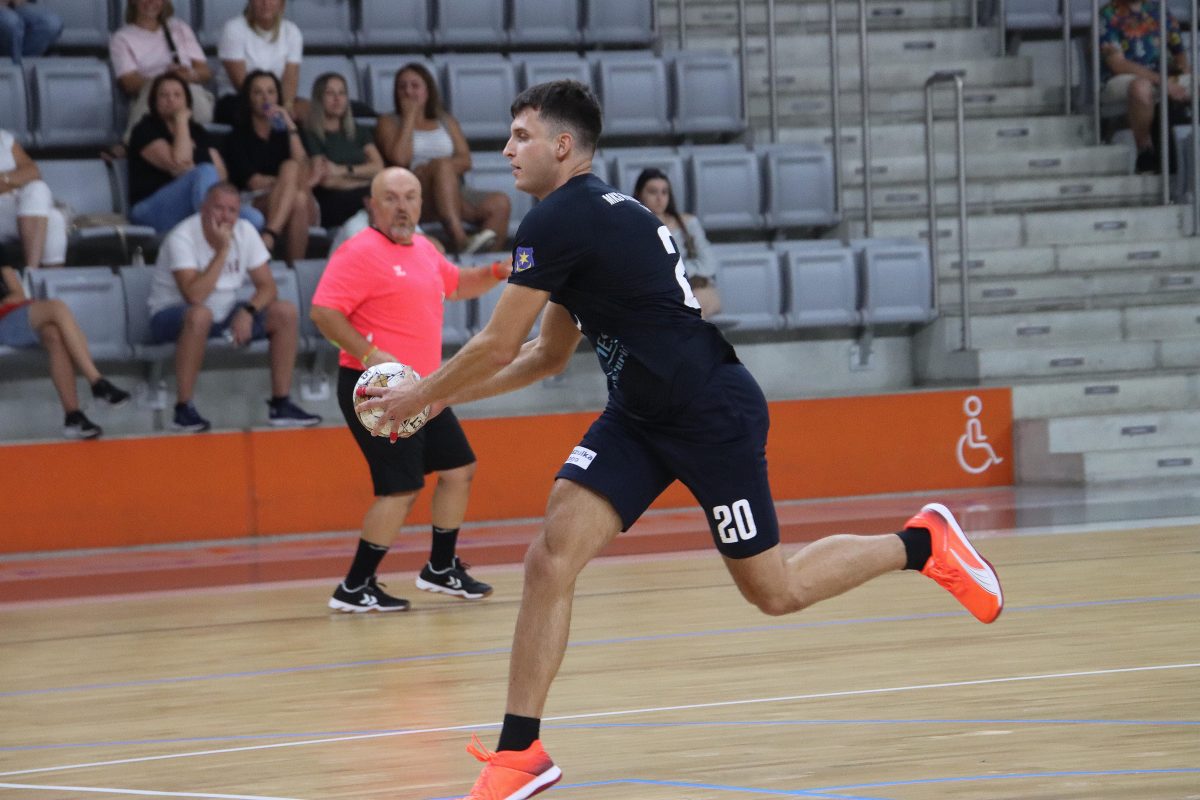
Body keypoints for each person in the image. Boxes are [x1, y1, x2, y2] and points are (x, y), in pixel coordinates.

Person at [357, 80, 1005, 799]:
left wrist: (420, 395)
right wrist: (439, 403)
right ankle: (520, 753)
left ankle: (922, 543)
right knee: (550, 557)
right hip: (638, 417)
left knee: (775, 591)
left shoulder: (561, 217)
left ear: (562, 146)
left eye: (521, 136)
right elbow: (544, 356)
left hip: (708, 411)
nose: (506, 150)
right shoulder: (584, 216)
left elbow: (497, 341)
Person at [311, 166, 511, 612]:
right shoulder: (358, 252)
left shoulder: (423, 248)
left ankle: (441, 567)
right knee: (400, 489)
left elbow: (456, 284)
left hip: (423, 388)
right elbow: (324, 312)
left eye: (410, 197)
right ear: (373, 205)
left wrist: (498, 270)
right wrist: (367, 353)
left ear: (422, 203)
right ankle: (355, 586)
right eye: (391, 198)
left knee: (458, 469)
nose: (402, 207)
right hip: (378, 390)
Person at [147, 181, 320, 433]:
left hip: (224, 312)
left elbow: (268, 287)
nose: (225, 217)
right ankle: (183, 409)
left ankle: (281, 404)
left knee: (285, 311)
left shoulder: (245, 231)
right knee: (200, 314)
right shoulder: (182, 237)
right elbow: (194, 295)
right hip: (171, 316)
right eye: (219, 208)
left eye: (232, 211)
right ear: (203, 208)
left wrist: (247, 312)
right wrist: (223, 250)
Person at [375, 63, 511, 255]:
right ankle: (461, 240)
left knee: (500, 203)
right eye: (402, 86)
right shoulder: (388, 122)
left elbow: (466, 160)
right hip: (414, 194)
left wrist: (437, 169)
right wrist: (409, 118)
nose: (408, 91)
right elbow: (400, 159)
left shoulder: (446, 121)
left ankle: (485, 262)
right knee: (442, 165)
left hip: (452, 190)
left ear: (427, 91)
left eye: (415, 86)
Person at [0, 266, 130, 439]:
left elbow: (19, 295)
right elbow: (13, 299)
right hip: (7, 320)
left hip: (19, 315)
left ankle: (73, 416)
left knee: (55, 336)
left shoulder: (4, 265)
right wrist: (7, 301)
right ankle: (97, 382)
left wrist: (6, 302)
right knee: (57, 307)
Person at [128, 73, 264, 234]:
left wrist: (195, 173)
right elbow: (179, 164)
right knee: (204, 170)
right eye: (164, 95)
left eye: (177, 95)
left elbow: (221, 177)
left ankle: (216, 233)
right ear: (154, 101)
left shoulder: (199, 132)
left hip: (195, 208)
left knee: (254, 219)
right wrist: (181, 120)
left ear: (187, 101)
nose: (171, 99)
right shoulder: (144, 129)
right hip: (149, 209)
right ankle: (212, 235)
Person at [221, 69, 314, 264]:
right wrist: (287, 182)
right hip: (257, 199)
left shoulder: (290, 132)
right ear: (249, 98)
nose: (266, 98)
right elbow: (254, 182)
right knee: (296, 197)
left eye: (271, 92)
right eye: (258, 92)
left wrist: (290, 125)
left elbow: (304, 170)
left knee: (293, 174)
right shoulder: (237, 137)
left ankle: (270, 235)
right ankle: (293, 269)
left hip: (300, 200)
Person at [1099, 0, 1191, 173]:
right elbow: (1118, 64)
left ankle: (1188, 151)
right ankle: (1145, 150)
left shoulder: (1158, 9)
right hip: (1121, 78)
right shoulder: (1108, 15)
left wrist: (1185, 75)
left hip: (1162, 75)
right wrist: (1161, 81)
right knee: (1141, 88)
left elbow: (1178, 50)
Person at [110, 0, 214, 140]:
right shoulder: (121, 38)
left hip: (188, 91)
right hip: (151, 95)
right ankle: (132, 143)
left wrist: (189, 75)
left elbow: (205, 72)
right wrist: (164, 80)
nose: (151, 2)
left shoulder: (180, 28)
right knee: (160, 90)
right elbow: (129, 83)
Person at [632, 167, 720, 319]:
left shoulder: (688, 223)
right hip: (656, 295)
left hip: (696, 288)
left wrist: (676, 274)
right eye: (653, 192)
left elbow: (709, 264)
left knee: (693, 305)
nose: (660, 198)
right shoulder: (632, 228)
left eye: (664, 192)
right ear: (639, 194)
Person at [302, 72, 384, 230]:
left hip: (364, 194)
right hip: (332, 201)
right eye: (330, 93)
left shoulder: (358, 130)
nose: (337, 99)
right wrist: (366, 180)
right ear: (319, 98)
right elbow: (326, 180)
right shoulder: (310, 133)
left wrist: (342, 170)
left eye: (342, 93)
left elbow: (378, 167)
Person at [216, 0, 302, 125]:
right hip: (239, 98)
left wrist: (287, 106)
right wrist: (268, 105)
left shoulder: (292, 31)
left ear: (282, 4)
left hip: (275, 98)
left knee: (304, 112)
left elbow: (290, 77)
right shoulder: (234, 28)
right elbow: (242, 84)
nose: (265, 2)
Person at [0, 128, 66, 271]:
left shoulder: (3, 138)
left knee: (39, 190)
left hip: (15, 210)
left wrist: (5, 179)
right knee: (52, 217)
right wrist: (16, 178)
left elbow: (33, 172)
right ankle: (34, 276)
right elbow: (25, 175)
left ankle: (33, 272)